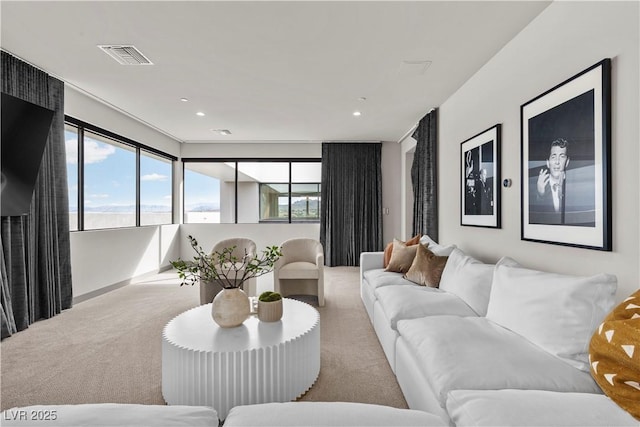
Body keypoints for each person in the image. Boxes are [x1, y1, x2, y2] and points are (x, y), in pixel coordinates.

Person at [531, 138, 570, 224]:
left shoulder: (576, 186)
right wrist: (540, 195)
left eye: (562, 156)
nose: (557, 162)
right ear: (548, 163)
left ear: (567, 162)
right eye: (553, 156)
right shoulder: (534, 189)